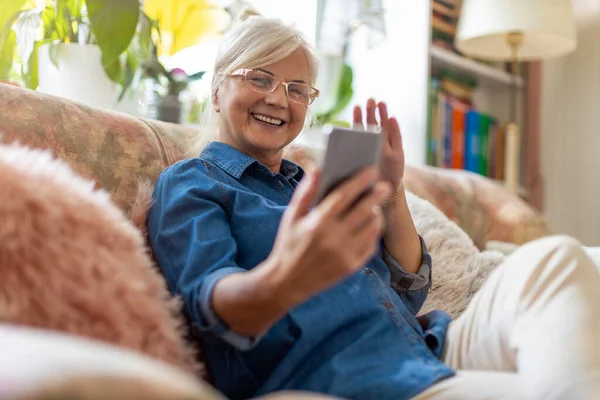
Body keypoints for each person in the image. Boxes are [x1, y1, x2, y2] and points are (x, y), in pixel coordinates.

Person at [147, 9, 600, 400]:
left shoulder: (310, 183)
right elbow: (210, 305)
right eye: (260, 78)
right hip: (346, 376)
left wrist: (392, 190)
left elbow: (407, 288)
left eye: (297, 88)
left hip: (426, 346)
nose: (278, 98)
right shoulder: (192, 183)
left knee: (556, 259)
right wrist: (287, 274)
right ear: (216, 90)